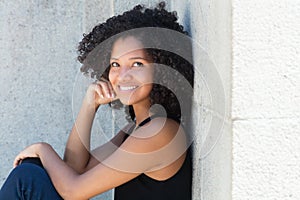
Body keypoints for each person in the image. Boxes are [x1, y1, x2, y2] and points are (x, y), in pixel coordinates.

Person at [0, 2, 194, 200]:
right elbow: (74, 168)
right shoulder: (134, 129)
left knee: (27, 179)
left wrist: (43, 148)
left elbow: (74, 191)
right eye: (115, 64)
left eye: (137, 64)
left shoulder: (161, 133)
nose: (123, 75)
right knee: (32, 169)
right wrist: (89, 105)